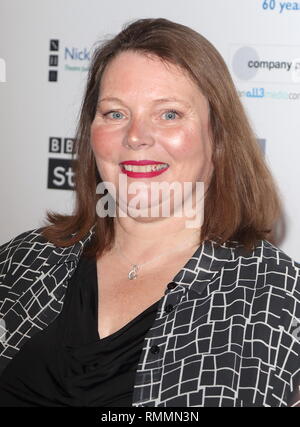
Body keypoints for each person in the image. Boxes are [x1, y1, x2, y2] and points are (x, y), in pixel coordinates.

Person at [0, 17, 299, 408]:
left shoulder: (282, 302)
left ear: (218, 138)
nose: (136, 135)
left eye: (169, 114)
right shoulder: (22, 261)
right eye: (115, 113)